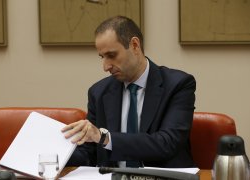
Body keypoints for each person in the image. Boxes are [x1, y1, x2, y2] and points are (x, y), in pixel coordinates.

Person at [62, 15, 196, 168]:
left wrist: (105, 137)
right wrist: (51, 154)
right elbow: (89, 152)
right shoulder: (99, 92)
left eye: (112, 55)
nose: (106, 67)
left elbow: (167, 143)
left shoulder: (178, 85)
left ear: (134, 45)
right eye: (102, 57)